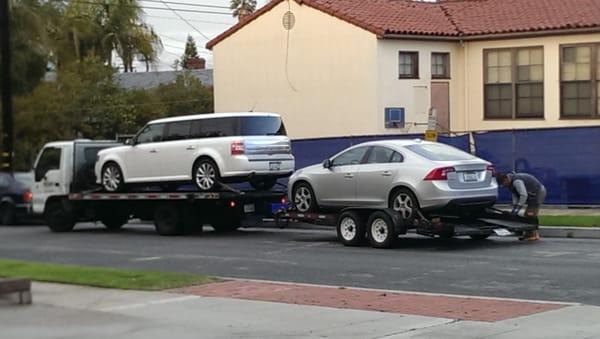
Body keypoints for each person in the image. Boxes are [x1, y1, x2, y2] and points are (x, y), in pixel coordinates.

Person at [497, 172, 547, 241]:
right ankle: (528, 235)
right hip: (532, 194)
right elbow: (515, 195)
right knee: (527, 215)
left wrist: (518, 207)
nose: (503, 186)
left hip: (538, 193)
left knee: (530, 214)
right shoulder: (510, 184)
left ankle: (534, 235)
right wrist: (514, 209)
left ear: (506, 180)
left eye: (503, 184)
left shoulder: (517, 181)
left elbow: (523, 195)